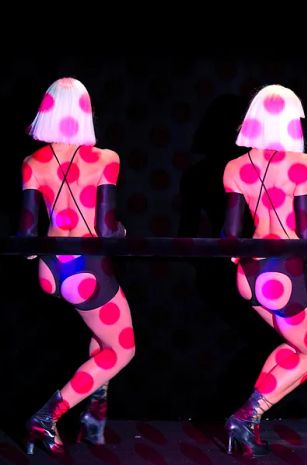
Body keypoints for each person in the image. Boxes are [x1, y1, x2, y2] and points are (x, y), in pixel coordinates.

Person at [18, 77, 134, 455]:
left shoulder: (33, 162)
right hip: (85, 266)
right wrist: (121, 230)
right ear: (85, 113)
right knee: (123, 348)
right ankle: (47, 417)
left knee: (102, 339)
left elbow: (28, 234)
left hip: (52, 267)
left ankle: (93, 420)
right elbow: (104, 228)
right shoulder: (105, 159)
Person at [221, 84, 307, 457]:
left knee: (295, 345)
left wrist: (241, 262)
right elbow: (304, 230)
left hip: (250, 272)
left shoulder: (235, 167)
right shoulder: (301, 164)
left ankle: (249, 421)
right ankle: (246, 415)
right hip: (283, 273)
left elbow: (229, 233)